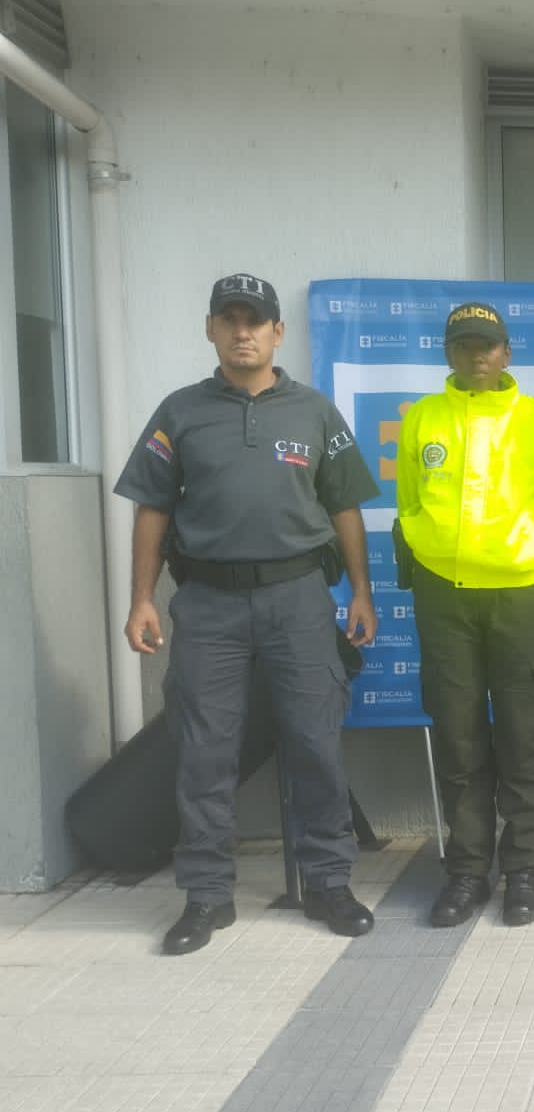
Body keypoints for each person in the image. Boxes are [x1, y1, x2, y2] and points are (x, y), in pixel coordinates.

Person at [117, 272, 380, 955]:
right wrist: (142, 598)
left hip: (299, 597)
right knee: (204, 749)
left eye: (255, 321)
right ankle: (207, 894)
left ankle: (328, 882)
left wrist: (360, 592)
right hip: (208, 603)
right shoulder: (179, 412)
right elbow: (153, 508)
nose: (243, 332)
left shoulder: (314, 411)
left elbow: (345, 507)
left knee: (315, 742)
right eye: (229, 320)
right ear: (210, 329)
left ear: (277, 332)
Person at [395, 302, 534, 929]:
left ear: (507, 352)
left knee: (522, 734)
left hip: (519, 593)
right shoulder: (423, 417)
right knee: (457, 732)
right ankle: (468, 870)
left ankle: (523, 867)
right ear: (447, 353)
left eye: (488, 345)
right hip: (443, 596)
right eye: (464, 345)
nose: (477, 356)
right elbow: (409, 503)